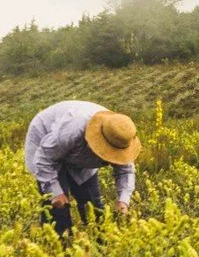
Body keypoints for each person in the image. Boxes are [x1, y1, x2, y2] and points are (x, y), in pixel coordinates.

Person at [23, 101, 140, 236]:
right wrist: (55, 192)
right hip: (47, 138)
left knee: (92, 203)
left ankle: (99, 242)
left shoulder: (120, 135)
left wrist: (123, 202)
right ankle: (60, 246)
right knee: (57, 208)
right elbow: (45, 158)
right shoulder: (74, 129)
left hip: (77, 150)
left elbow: (125, 171)